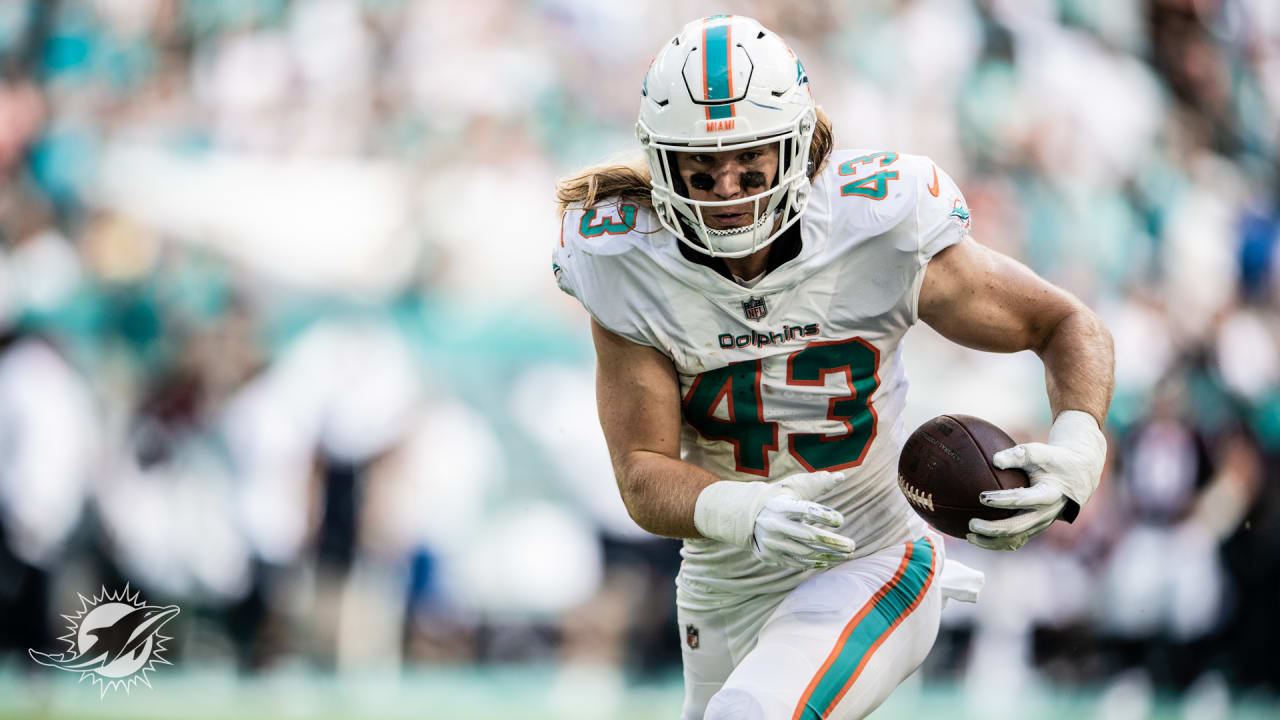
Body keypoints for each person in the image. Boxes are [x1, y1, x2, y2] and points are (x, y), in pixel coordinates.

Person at [551, 16, 1113, 720]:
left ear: (794, 144)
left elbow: (1064, 323)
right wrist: (748, 510)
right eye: (701, 165)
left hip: (871, 559)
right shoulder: (627, 263)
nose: (727, 187)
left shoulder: (873, 225)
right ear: (662, 163)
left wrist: (1080, 441)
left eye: (748, 158)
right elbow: (641, 471)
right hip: (723, 579)